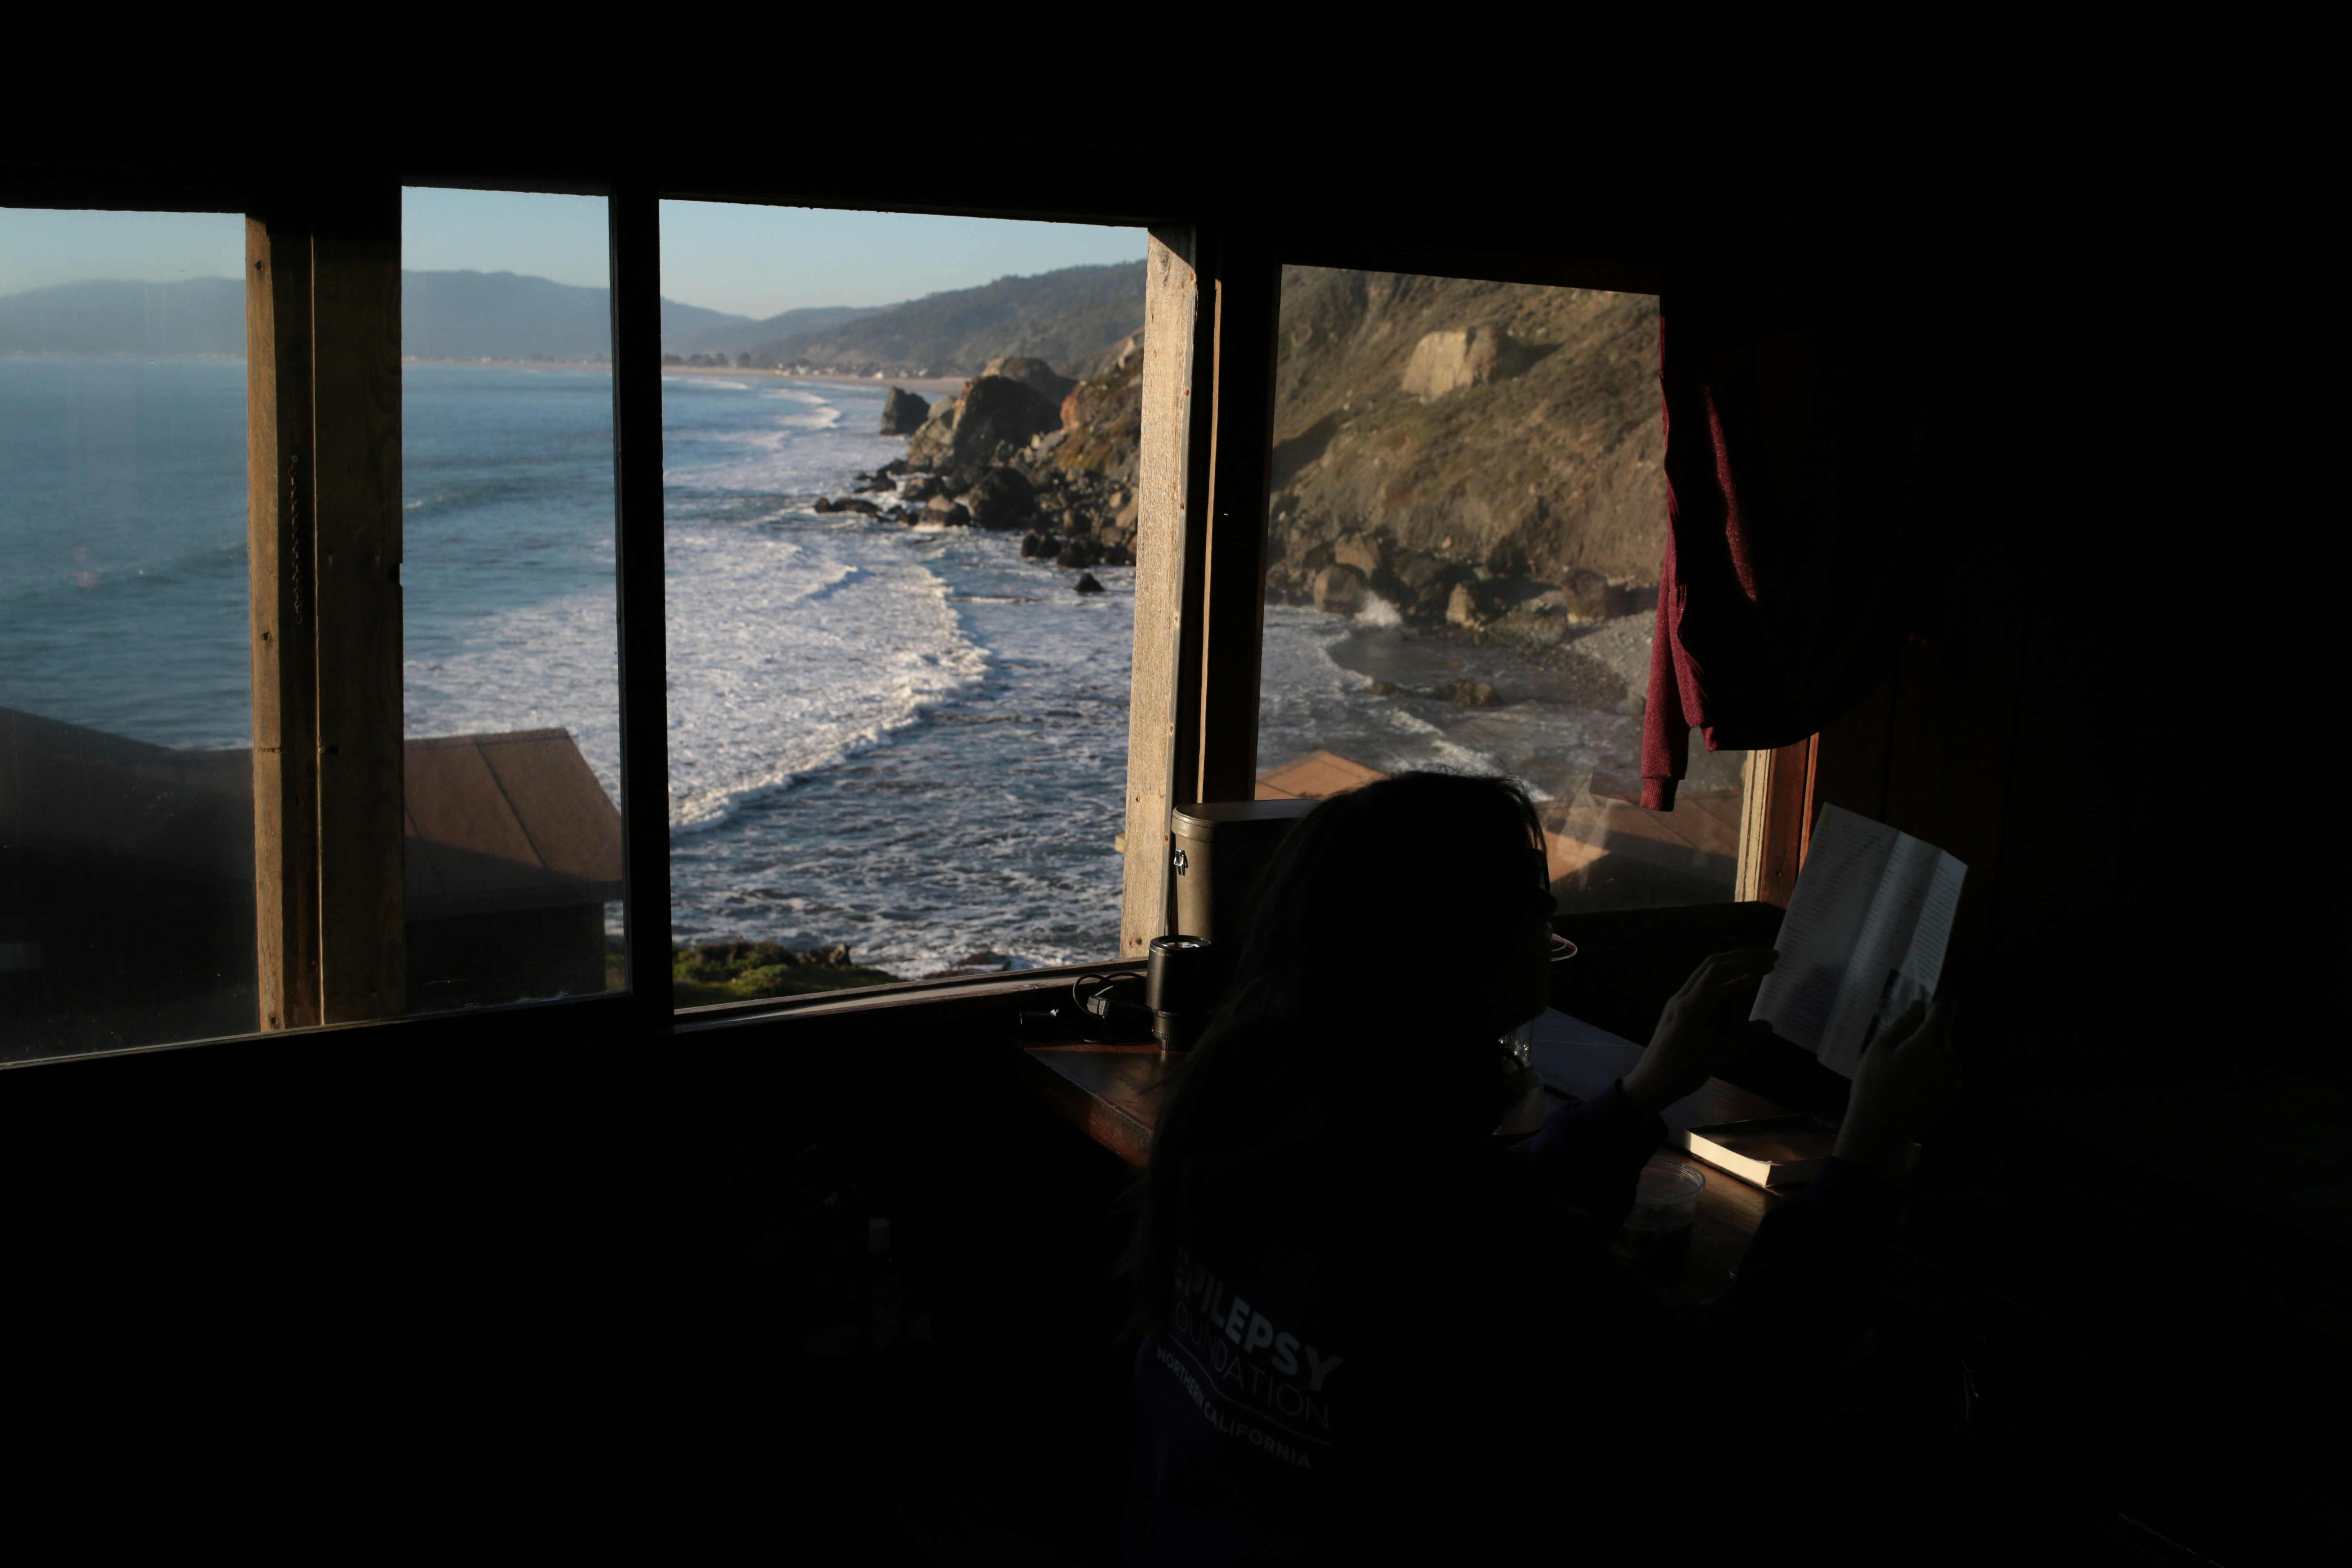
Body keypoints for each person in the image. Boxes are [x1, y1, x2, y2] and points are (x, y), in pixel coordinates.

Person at [1119, 771, 1960, 1565]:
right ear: (1448, 950)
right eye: (1529, 895)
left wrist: (1644, 1094)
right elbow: (1713, 1406)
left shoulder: (1254, 1109)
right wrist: (1864, 1160)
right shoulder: (1450, 1221)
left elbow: (1470, 1244)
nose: (1553, 905)